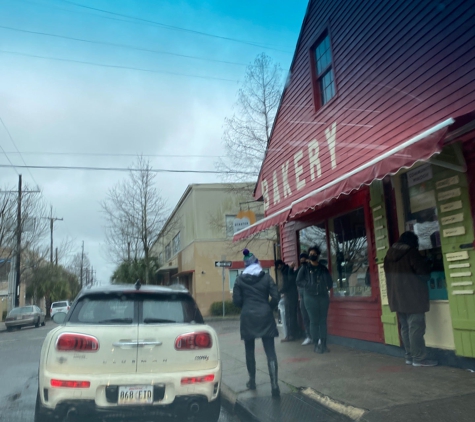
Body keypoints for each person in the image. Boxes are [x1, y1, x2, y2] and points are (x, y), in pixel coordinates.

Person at [384, 231, 437, 367]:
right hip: (413, 297)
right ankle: (419, 358)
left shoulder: (388, 255)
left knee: (405, 327)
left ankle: (409, 356)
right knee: (416, 328)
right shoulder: (411, 253)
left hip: (396, 298)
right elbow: (424, 274)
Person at [232, 249, 280, 397]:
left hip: (248, 317)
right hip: (265, 316)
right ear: (257, 263)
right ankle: (274, 385)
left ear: (246, 265)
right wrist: (268, 308)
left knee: (249, 350)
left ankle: (252, 381)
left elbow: (236, 301)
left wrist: (246, 307)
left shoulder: (240, 280)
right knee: (270, 351)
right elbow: (276, 296)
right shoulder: (266, 278)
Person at [296, 245, 333, 353]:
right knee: (314, 321)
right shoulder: (305, 268)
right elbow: (298, 281)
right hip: (310, 297)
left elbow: (329, 282)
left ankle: (324, 345)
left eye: (314, 254)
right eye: (311, 254)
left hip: (323, 296)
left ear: (318, 255)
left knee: (323, 320)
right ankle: (316, 345)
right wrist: (308, 285)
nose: (312, 255)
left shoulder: (322, 268)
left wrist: (325, 286)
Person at [275, 259, 299, 342]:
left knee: (289, 315)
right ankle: (294, 334)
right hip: (294, 294)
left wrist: (280, 291)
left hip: (289, 295)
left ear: (279, 266)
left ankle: (290, 335)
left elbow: (287, 284)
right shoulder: (288, 269)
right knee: (292, 315)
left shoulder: (285, 271)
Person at [296, 252, 312, 346]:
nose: (302, 260)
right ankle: (309, 336)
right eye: (301, 258)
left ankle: (316, 337)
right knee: (305, 317)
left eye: (304, 258)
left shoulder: (311, 268)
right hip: (302, 296)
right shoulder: (302, 268)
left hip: (311, 296)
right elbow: (297, 280)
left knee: (313, 318)